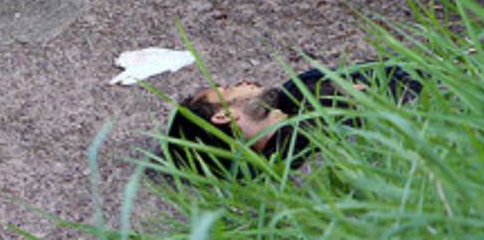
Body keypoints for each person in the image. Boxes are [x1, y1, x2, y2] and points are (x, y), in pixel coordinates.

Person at [165, 61, 420, 173]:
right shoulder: (309, 123)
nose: (243, 81)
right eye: (229, 89)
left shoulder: (299, 102)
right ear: (224, 115)